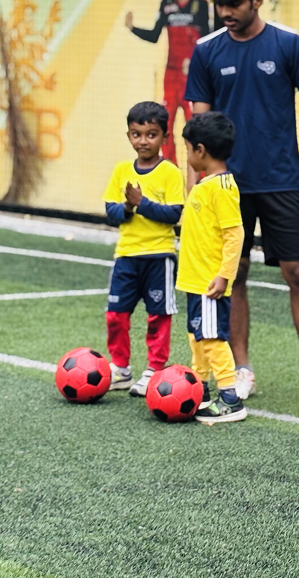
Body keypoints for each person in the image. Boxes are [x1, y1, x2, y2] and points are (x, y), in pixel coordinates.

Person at [184, 0, 299, 407]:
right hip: (225, 188)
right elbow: (198, 130)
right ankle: (241, 370)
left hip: (280, 180)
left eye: (234, 4)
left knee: (298, 273)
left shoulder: (288, 44)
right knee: (232, 275)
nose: (225, 12)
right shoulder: (207, 51)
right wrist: (193, 189)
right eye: (219, 5)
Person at [102, 102, 185, 396]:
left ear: (164, 137)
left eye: (151, 134)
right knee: (115, 315)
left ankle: (154, 369)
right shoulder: (121, 171)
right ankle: (121, 369)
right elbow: (111, 213)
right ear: (129, 135)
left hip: (159, 257)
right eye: (137, 134)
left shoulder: (170, 172)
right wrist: (127, 207)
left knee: (158, 316)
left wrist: (141, 203)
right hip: (126, 256)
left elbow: (174, 214)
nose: (143, 141)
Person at [176, 112, 247, 424]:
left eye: (188, 149)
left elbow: (235, 234)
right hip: (195, 281)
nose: (188, 156)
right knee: (197, 337)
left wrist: (223, 276)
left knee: (213, 339)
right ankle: (199, 389)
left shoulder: (222, 187)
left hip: (209, 283)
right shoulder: (206, 184)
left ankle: (230, 399)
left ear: (200, 150)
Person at [126, 0, 209, 166]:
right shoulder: (167, 3)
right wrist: (133, 28)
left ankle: (199, 176)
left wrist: (198, 65)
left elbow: (207, 41)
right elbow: (155, 35)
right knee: (166, 126)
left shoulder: (200, 4)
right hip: (171, 75)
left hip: (192, 76)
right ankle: (171, 172)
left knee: (195, 128)